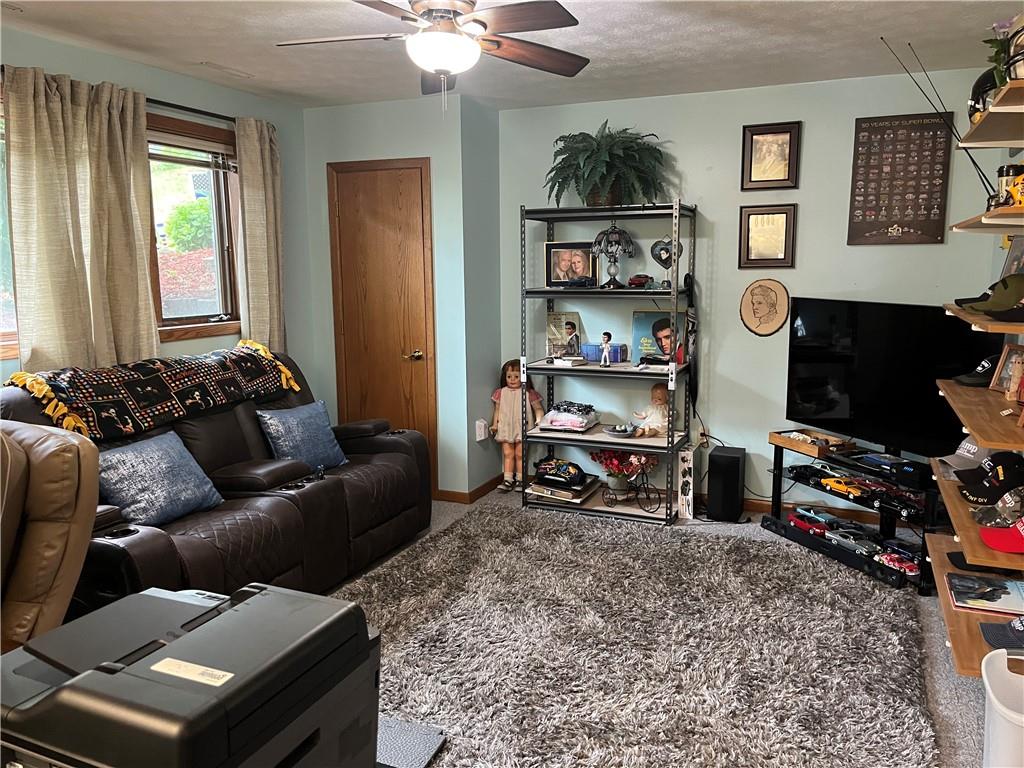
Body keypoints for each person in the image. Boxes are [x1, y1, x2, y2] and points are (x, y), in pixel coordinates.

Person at [490, 359, 544, 492]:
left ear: (523, 377)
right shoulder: (501, 393)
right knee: (508, 453)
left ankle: (521, 479)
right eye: (509, 376)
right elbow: (497, 410)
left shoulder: (528, 393)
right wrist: (494, 424)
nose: (512, 379)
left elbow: (538, 408)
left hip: (523, 427)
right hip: (505, 427)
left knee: (520, 454)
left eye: (516, 376)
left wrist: (539, 421)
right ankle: (508, 479)